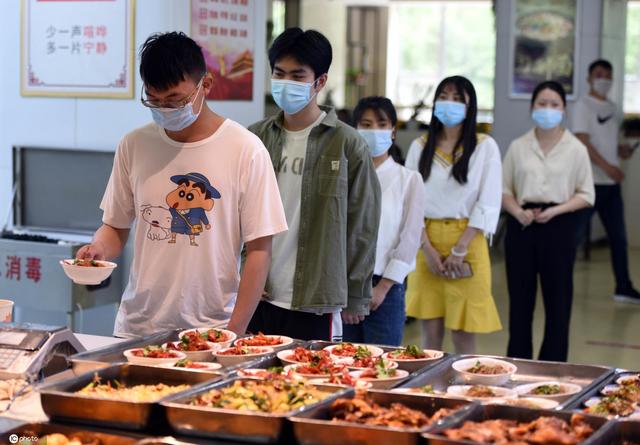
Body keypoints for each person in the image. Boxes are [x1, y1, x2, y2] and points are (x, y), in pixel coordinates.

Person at [76, 32, 288, 338]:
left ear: (207, 85)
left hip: (211, 330)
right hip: (137, 327)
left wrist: (235, 331)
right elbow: (115, 226)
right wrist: (98, 249)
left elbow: (259, 250)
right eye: (154, 99)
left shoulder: (246, 149)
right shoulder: (134, 145)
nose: (165, 109)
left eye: (175, 99)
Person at [248, 28, 381, 341]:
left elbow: (362, 225)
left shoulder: (348, 144)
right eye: (279, 74)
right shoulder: (254, 139)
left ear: (319, 82)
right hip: (258, 291)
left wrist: (357, 293)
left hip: (316, 298)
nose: (286, 83)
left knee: (310, 382)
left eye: (297, 76)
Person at [405, 76, 502, 354]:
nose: (450, 103)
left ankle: (465, 390)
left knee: (463, 334)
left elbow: (489, 200)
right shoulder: (420, 146)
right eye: (444, 96)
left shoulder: (484, 146)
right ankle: (429, 392)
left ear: (470, 106)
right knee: (430, 336)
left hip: (468, 240)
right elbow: (410, 202)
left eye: (458, 98)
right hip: (426, 241)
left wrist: (460, 249)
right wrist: (427, 248)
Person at [504, 81, 595, 362]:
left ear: (564, 110)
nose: (547, 110)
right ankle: (518, 364)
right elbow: (503, 189)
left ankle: (553, 367)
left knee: (558, 303)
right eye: (542, 104)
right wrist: (518, 211)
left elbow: (587, 194)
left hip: (559, 227)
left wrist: (556, 211)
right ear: (532, 107)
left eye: (554, 104)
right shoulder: (519, 146)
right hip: (522, 226)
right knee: (520, 304)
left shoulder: (576, 149)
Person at [343, 96, 425, 346]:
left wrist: (384, 287)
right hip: (342, 287)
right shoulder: (342, 174)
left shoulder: (409, 179)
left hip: (386, 288)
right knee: (342, 363)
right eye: (366, 125)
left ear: (392, 132)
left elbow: (410, 238)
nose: (374, 131)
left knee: (383, 364)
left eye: (381, 124)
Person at [572, 59, 640, 303]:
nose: (603, 79)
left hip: (611, 187)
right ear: (590, 78)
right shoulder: (583, 106)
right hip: (589, 184)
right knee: (574, 237)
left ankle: (623, 286)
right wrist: (608, 167)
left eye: (608, 76)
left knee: (618, 238)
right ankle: (557, 280)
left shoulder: (613, 107)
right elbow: (582, 141)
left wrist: (622, 151)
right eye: (599, 74)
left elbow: (610, 143)